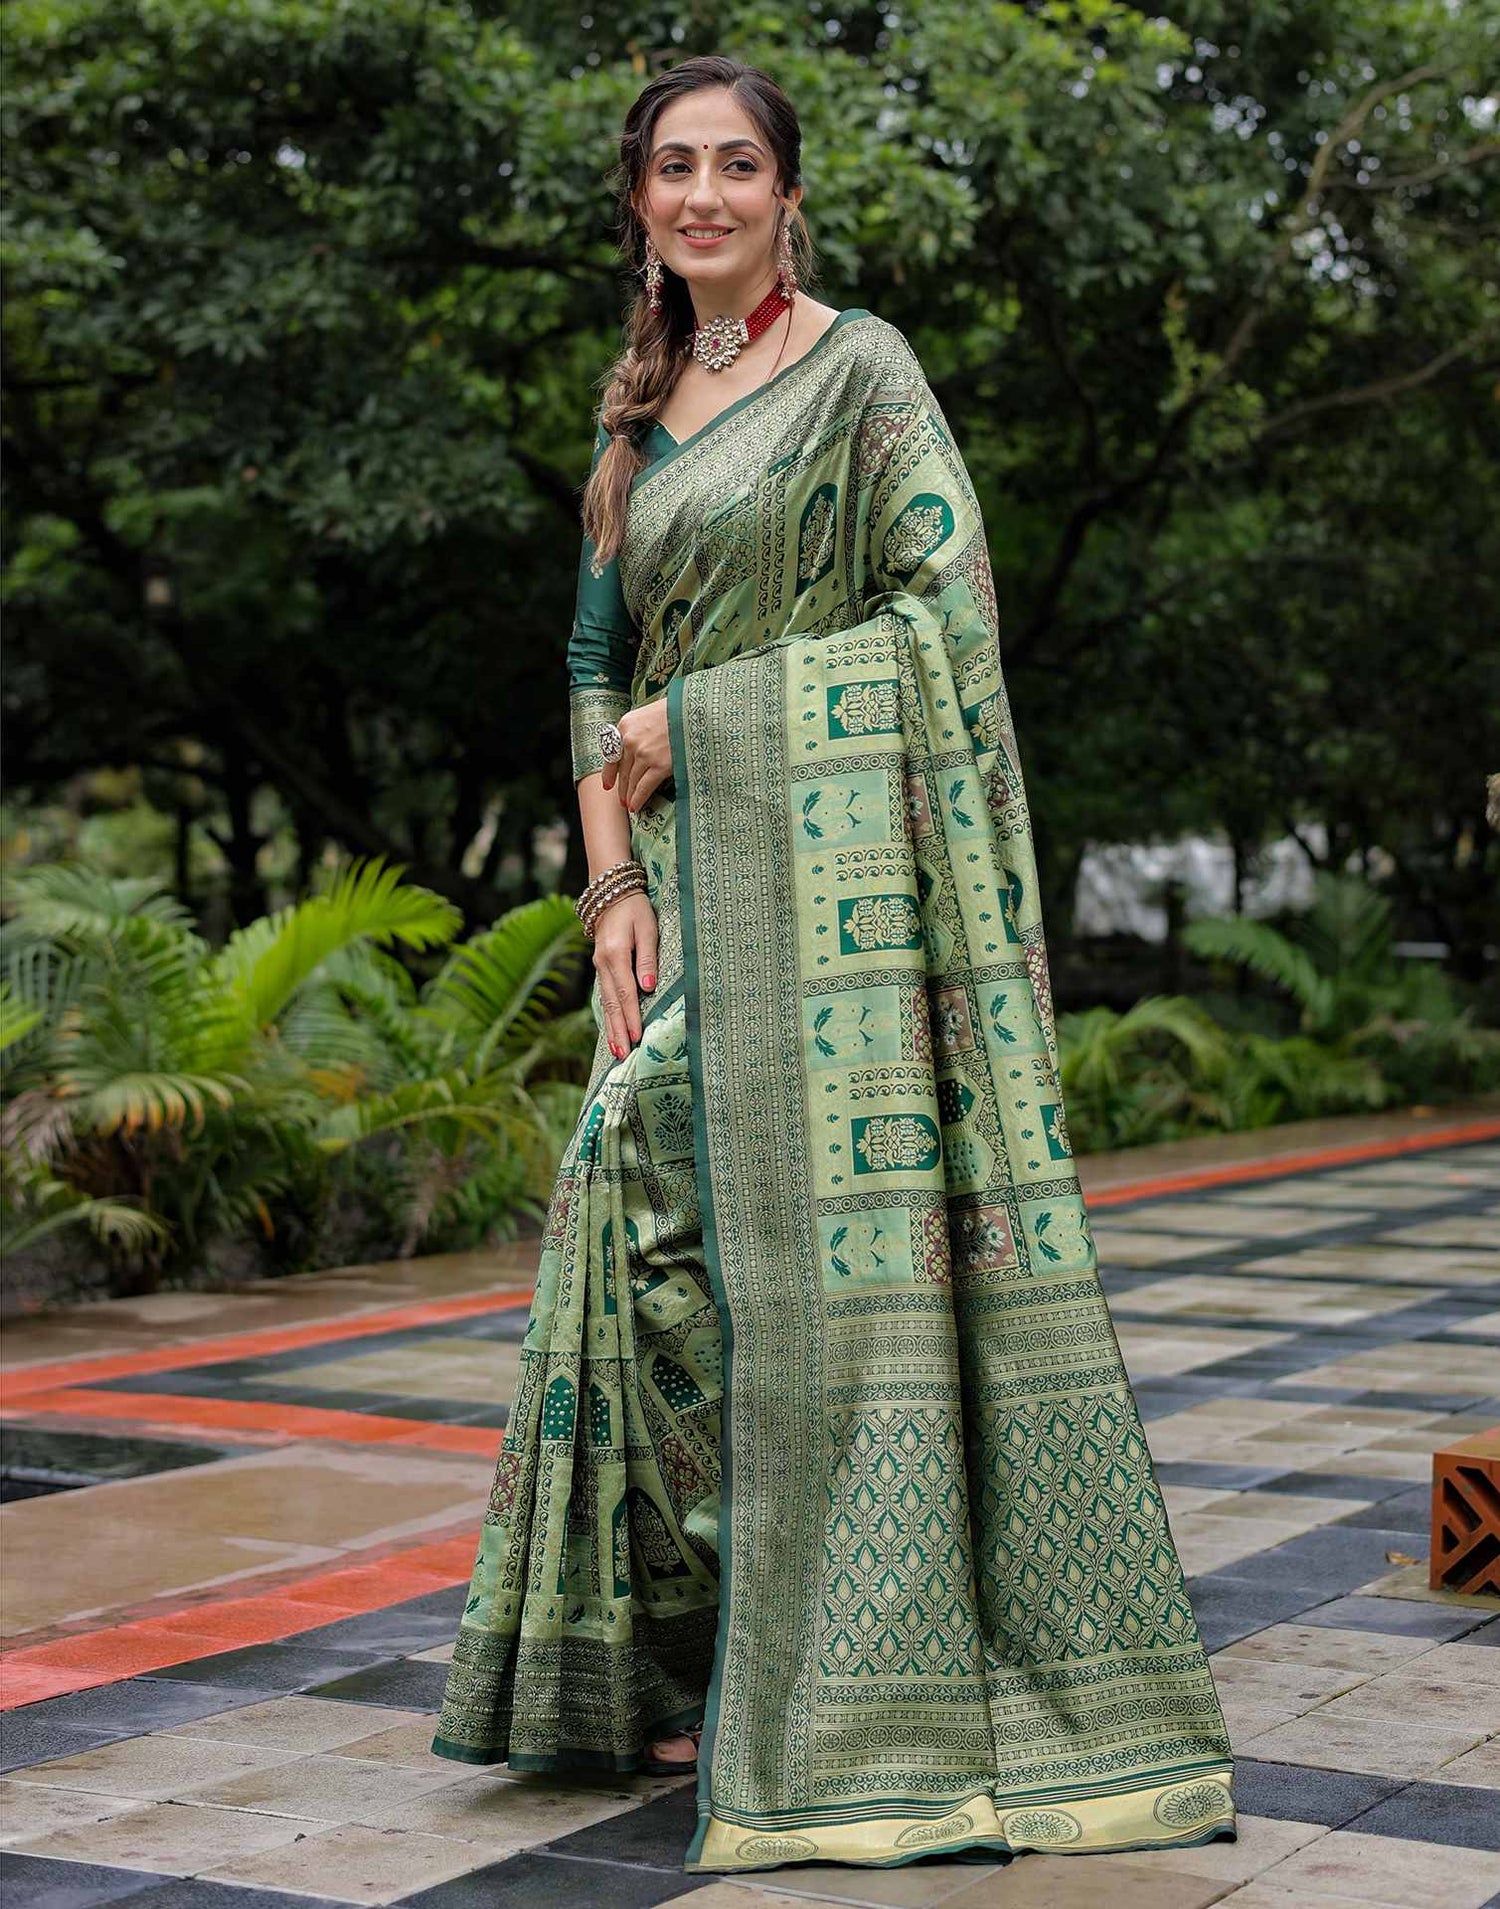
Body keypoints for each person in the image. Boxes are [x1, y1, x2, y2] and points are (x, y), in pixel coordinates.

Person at [431, 52, 1237, 1877]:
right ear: (640, 207)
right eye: (670, 169)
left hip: (846, 915)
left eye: (735, 166)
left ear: (789, 194)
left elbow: (945, 618)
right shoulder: (634, 431)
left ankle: (851, 1662)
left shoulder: (862, 374)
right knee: (640, 1223)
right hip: (694, 902)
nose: (701, 194)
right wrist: (612, 885)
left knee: (798, 1264)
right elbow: (585, 666)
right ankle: (702, 1641)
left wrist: (692, 720)